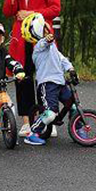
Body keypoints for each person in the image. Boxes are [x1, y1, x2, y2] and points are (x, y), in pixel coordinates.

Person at [2, 0, 61, 138]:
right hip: (21, 36)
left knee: (46, 78)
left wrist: (33, 12)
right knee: (23, 77)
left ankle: (48, 121)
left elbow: (55, 8)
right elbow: (8, 11)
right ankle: (27, 121)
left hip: (42, 34)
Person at [22, 13, 77, 146]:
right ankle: (33, 133)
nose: (49, 28)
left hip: (60, 82)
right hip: (47, 84)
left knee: (73, 105)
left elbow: (62, 59)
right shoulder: (39, 48)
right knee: (51, 113)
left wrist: (70, 69)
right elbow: (44, 43)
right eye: (45, 27)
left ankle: (78, 127)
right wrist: (47, 39)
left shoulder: (53, 47)